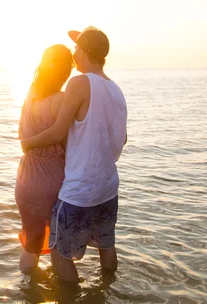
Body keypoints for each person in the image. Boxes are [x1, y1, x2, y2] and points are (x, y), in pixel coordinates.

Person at [20, 26, 127, 284]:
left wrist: (27, 143)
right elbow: (122, 139)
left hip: (80, 189)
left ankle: (70, 297)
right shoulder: (116, 90)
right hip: (108, 186)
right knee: (106, 244)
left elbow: (58, 131)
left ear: (87, 51)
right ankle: (107, 291)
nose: (74, 54)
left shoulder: (79, 83)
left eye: (78, 49)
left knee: (61, 254)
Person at [15, 44, 74, 273]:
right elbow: (69, 145)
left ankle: (28, 291)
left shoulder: (30, 95)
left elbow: (21, 134)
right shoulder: (61, 100)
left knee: (31, 245)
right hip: (52, 180)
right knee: (59, 248)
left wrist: (30, 144)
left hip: (25, 180)